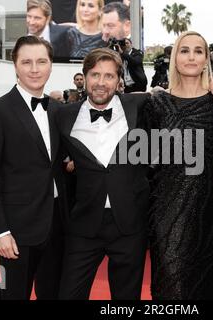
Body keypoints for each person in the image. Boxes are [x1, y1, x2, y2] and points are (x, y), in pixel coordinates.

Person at [0, 36, 67, 300]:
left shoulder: (58, 110)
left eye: (41, 61)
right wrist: (0, 232)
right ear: (15, 65)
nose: (35, 68)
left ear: (51, 65)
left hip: (56, 224)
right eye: (26, 62)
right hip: (15, 231)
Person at [56, 48, 150, 300]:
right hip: (84, 224)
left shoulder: (139, 105)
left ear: (119, 80)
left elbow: (179, 98)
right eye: (95, 74)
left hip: (130, 224)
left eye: (108, 76)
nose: (101, 82)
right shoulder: (63, 116)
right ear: (84, 77)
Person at [145, 31, 213, 300]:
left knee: (208, 287)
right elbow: (148, 161)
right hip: (167, 213)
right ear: (175, 57)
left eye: (198, 50)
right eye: (184, 50)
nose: (191, 56)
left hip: (211, 215)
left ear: (206, 58)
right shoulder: (156, 102)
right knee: (170, 289)